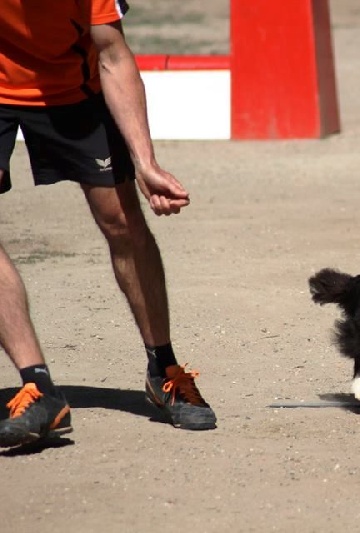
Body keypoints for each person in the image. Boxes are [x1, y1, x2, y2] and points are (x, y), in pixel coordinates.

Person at [0, 0, 217, 447]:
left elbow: (113, 55)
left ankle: (163, 368)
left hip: (75, 92)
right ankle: (38, 387)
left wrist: (145, 162)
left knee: (122, 223)